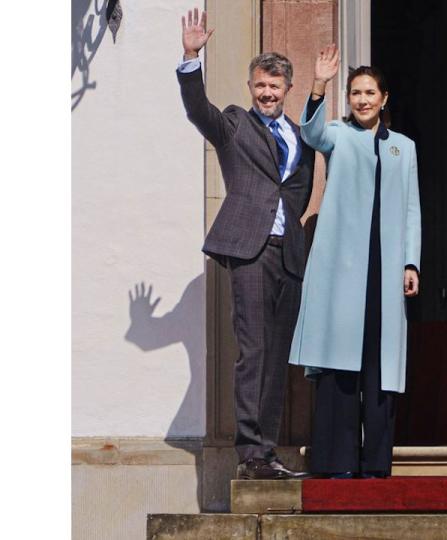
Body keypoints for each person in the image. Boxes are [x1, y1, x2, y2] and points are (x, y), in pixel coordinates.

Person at [176, 8, 312, 480]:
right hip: (248, 249)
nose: (268, 93)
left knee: (276, 357)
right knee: (253, 351)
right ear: (251, 88)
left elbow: (297, 190)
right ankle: (250, 454)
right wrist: (191, 58)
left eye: (275, 86)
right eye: (260, 86)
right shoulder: (235, 124)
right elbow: (200, 112)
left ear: (287, 89)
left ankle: (268, 452)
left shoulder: (299, 136)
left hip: (287, 253)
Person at [288, 45, 421, 479]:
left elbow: (412, 211)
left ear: (385, 98)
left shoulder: (404, 147)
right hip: (343, 271)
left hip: (385, 271)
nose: (362, 100)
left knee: (379, 369)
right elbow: (310, 134)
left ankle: (376, 465)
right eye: (355, 93)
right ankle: (336, 462)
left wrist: (411, 263)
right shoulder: (338, 134)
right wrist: (318, 84)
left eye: (369, 92)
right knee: (340, 366)